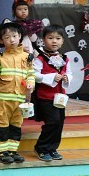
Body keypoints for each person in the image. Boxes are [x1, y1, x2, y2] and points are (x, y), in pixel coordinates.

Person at [0, 20, 35, 164]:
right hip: (3, 99)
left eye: (14, 36)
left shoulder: (26, 57)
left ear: (20, 36)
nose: (12, 40)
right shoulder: (0, 57)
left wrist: (30, 83)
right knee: (2, 126)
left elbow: (31, 73)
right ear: (1, 40)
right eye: (7, 37)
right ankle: (1, 152)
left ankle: (12, 151)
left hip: (20, 99)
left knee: (16, 125)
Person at [32, 25, 72, 161]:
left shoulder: (64, 57)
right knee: (52, 122)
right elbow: (34, 75)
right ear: (43, 40)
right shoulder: (39, 58)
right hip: (45, 96)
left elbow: (69, 72)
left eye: (58, 38)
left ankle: (52, 148)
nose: (54, 41)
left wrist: (67, 77)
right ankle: (41, 147)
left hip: (60, 97)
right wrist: (51, 77)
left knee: (60, 122)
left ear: (62, 41)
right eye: (50, 38)